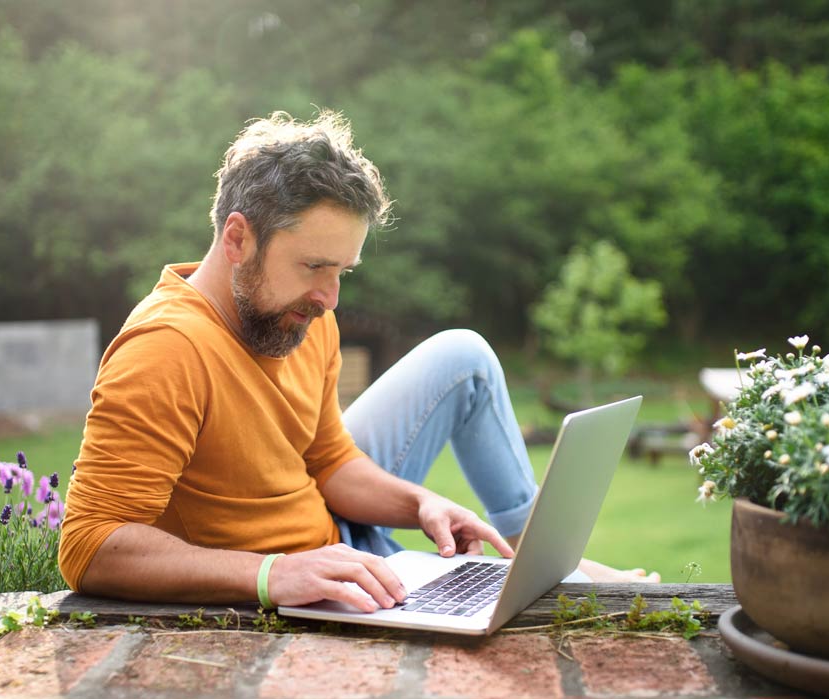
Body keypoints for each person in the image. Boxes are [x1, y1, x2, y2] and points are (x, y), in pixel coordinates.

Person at [58, 111, 658, 613]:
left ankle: (536, 558)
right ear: (237, 240)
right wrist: (271, 576)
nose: (330, 299)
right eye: (315, 267)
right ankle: (558, 577)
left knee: (465, 355)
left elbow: (328, 459)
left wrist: (417, 502)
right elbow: (88, 544)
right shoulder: (167, 350)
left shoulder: (300, 315)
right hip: (305, 577)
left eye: (342, 272)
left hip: (346, 548)